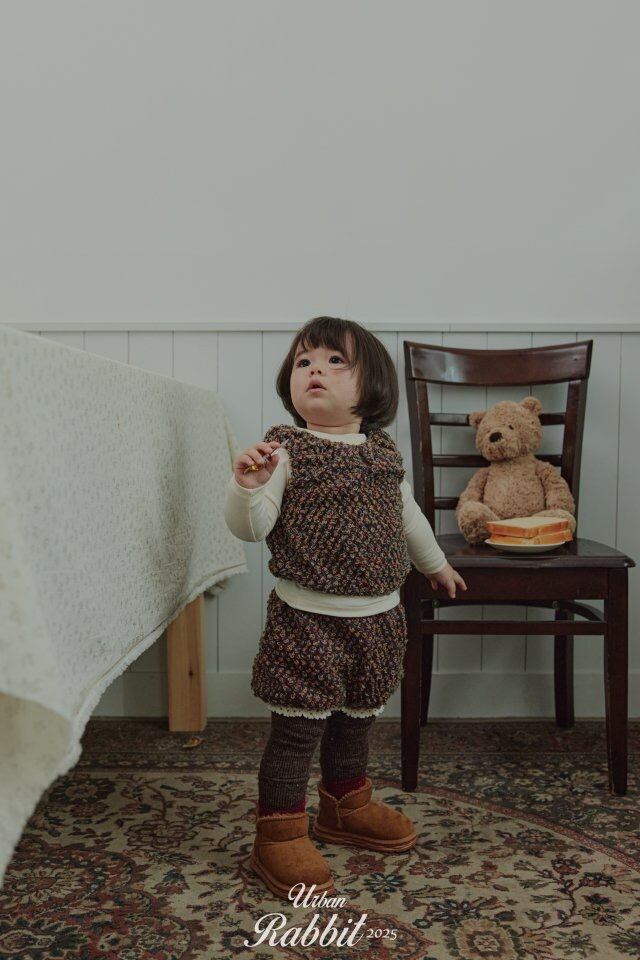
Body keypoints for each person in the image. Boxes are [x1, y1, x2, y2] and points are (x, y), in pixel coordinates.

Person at [224, 315, 467, 898]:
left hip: (380, 619)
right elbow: (252, 528)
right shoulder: (284, 453)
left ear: (372, 384)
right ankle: (279, 831)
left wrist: (435, 565)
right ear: (290, 382)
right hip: (307, 620)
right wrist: (248, 487)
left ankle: (345, 804)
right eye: (305, 361)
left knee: (357, 719)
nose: (316, 370)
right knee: (297, 731)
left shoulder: (382, 454)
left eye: (336, 361)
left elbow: (408, 519)